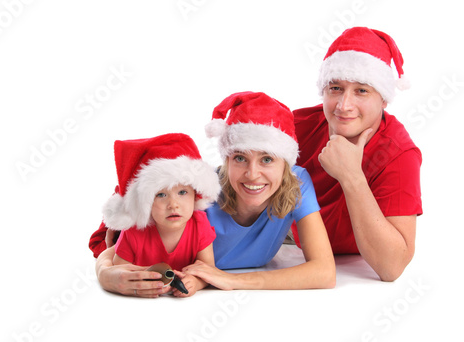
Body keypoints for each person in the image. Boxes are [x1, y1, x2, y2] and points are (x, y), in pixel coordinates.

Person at [91, 92, 335, 293]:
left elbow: (324, 272)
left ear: (286, 165)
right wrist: (105, 273)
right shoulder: (197, 200)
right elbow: (126, 246)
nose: (252, 174)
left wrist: (232, 281)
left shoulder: (297, 181)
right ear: (226, 160)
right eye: (240, 158)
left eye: (267, 159)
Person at [291, 27, 423, 282]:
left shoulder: (399, 153)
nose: (344, 106)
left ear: (383, 99)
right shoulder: (298, 125)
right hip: (287, 233)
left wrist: (351, 176)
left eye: (362, 90)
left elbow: (391, 267)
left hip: (341, 258)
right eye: (336, 88)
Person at [95, 133, 221, 297]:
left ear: (196, 195)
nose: (173, 204)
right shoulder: (134, 232)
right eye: (161, 195)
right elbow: (121, 272)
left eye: (182, 192)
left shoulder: (199, 224)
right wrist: (138, 286)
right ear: (145, 202)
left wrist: (195, 282)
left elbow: (207, 270)